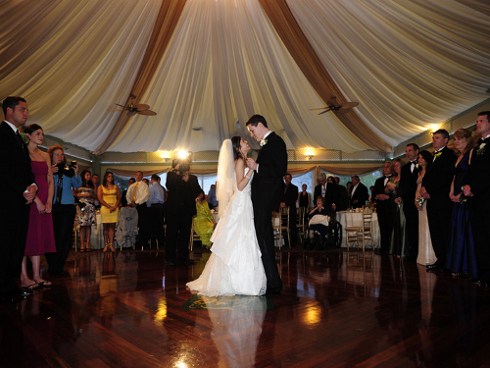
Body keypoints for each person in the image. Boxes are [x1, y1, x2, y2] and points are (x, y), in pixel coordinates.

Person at [187, 137, 266, 295]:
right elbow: (240, 186)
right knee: (236, 239)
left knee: (244, 238)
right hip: (240, 204)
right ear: (238, 148)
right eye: (243, 141)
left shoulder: (244, 160)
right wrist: (251, 169)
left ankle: (245, 280)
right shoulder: (239, 161)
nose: (246, 142)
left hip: (245, 204)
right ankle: (233, 281)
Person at [1, 96, 37, 303]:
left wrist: (33, 186)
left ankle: (9, 283)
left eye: (27, 109)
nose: (26, 113)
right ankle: (2, 286)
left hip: (22, 200)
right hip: (6, 201)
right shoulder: (2, 134)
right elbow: (3, 169)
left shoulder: (19, 137)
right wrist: (24, 189)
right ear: (9, 111)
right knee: (5, 242)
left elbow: (26, 170)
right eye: (22, 109)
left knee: (17, 243)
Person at [246, 114, 287, 293]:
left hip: (266, 198)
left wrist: (257, 167)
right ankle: (270, 280)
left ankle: (273, 281)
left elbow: (280, 170)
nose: (252, 135)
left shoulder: (277, 142)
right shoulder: (267, 143)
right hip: (261, 198)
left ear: (260, 125)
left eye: (252, 131)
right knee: (263, 238)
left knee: (263, 238)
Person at [20, 124, 56, 289]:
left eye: (42, 134)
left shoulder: (45, 155)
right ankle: (23, 276)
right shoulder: (22, 153)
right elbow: (22, 179)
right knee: (26, 237)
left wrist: (49, 201)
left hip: (44, 198)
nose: (41, 136)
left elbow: (50, 180)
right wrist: (37, 200)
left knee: (39, 237)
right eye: (37, 133)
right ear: (28, 135)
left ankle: (36, 275)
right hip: (29, 199)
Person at [421, 129, 455, 271]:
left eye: (437, 138)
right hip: (432, 200)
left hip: (442, 200)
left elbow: (445, 177)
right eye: (433, 138)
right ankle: (440, 259)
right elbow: (428, 176)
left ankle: (448, 261)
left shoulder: (449, 155)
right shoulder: (433, 156)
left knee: (444, 231)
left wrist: (428, 189)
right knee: (435, 231)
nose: (434, 140)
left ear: (446, 140)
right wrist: (424, 188)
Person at [45, 144, 81, 276]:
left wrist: (76, 173)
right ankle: (51, 264)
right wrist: (49, 172)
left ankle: (59, 266)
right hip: (51, 206)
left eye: (61, 154)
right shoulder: (47, 169)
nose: (60, 156)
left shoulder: (69, 170)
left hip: (67, 207)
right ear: (51, 156)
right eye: (57, 154)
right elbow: (42, 184)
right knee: (51, 236)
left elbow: (77, 185)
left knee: (64, 238)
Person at [463, 111, 490, 286]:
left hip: (487, 196)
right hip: (475, 199)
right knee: (479, 237)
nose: (477, 124)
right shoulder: (477, 146)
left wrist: (475, 188)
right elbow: (471, 170)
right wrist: (465, 185)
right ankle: (484, 273)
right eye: (477, 121)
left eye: (481, 121)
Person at [447, 129, 477, 279]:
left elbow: (472, 174)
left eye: (459, 139)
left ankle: (467, 266)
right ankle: (457, 265)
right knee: (457, 230)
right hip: (456, 197)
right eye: (455, 139)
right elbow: (454, 177)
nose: (456, 142)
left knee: (465, 231)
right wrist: (451, 193)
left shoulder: (472, 152)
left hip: (465, 196)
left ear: (467, 139)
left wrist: (461, 194)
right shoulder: (458, 157)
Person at [165, 160, 202, 265]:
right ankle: (170, 258)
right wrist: (177, 173)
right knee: (171, 234)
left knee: (185, 235)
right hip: (173, 210)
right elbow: (170, 186)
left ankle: (183, 257)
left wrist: (188, 179)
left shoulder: (193, 178)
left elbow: (198, 190)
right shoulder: (171, 175)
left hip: (187, 210)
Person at [395, 143, 420, 261]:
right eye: (406, 151)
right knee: (411, 228)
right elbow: (403, 186)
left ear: (417, 151)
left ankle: (423, 252)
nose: (407, 153)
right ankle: (413, 252)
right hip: (408, 203)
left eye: (410, 150)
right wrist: (399, 196)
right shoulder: (404, 169)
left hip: (421, 200)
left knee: (421, 227)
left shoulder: (423, 164)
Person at [415, 150, 437, 266]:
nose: (420, 159)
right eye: (419, 158)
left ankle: (431, 256)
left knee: (429, 226)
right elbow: (417, 188)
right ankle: (423, 255)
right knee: (422, 226)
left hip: (427, 200)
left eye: (422, 157)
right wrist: (416, 201)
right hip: (419, 201)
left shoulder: (430, 171)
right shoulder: (419, 173)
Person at [386, 159, 407, 258]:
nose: (395, 167)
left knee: (401, 226)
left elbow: (402, 189)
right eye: (394, 166)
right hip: (393, 204)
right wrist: (388, 188)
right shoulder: (393, 177)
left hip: (401, 203)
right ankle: (396, 249)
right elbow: (387, 191)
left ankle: (402, 250)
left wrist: (393, 187)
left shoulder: (404, 177)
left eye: (397, 165)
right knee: (395, 226)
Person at [373, 162, 393, 255]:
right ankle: (383, 246)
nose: (385, 169)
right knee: (382, 227)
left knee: (391, 227)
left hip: (390, 207)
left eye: (387, 167)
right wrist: (378, 196)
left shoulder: (395, 178)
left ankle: (392, 247)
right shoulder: (379, 180)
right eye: (384, 167)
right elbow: (374, 195)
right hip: (381, 207)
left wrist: (387, 197)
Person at [98, 171, 121, 252]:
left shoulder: (116, 187)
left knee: (112, 226)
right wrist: (109, 206)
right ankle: (105, 245)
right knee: (105, 227)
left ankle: (111, 245)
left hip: (114, 208)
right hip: (105, 207)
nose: (110, 178)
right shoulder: (101, 187)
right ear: (105, 177)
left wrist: (114, 206)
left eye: (111, 176)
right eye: (109, 176)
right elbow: (100, 199)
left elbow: (119, 198)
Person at [126, 171, 150, 248]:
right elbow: (128, 195)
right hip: (132, 206)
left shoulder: (145, 186)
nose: (138, 176)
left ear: (142, 176)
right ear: (135, 176)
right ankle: (132, 243)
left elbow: (145, 196)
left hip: (141, 206)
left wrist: (137, 202)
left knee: (142, 225)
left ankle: (143, 243)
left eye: (140, 175)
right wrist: (130, 202)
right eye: (137, 175)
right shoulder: (132, 186)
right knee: (133, 224)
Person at [75, 171, 97, 251]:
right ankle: (82, 244)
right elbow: (74, 194)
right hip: (82, 206)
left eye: (89, 175)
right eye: (87, 175)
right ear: (83, 176)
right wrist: (83, 195)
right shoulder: (78, 183)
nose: (88, 176)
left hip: (90, 206)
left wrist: (91, 195)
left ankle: (88, 243)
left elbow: (96, 196)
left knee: (88, 225)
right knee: (82, 225)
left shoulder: (92, 185)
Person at [146, 174, 165, 248]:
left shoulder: (152, 187)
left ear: (151, 179)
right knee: (160, 224)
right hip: (161, 206)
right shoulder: (161, 187)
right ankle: (161, 241)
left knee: (153, 225)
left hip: (154, 207)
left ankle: (154, 241)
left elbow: (150, 198)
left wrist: (148, 206)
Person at [280, 173, 298, 247]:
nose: (287, 179)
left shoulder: (294, 188)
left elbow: (294, 198)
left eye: (288, 178)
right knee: (283, 226)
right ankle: (286, 242)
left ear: (291, 179)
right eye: (286, 178)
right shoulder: (281, 188)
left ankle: (293, 243)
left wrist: (285, 203)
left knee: (292, 226)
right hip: (283, 210)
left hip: (291, 210)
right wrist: (280, 203)